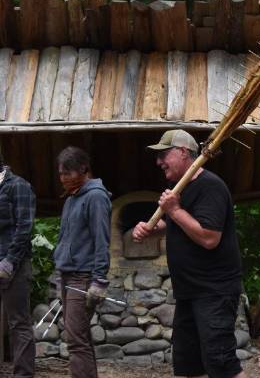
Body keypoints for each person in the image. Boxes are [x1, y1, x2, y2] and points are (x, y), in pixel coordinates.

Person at [132, 129, 245, 378]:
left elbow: (208, 237)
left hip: (214, 291)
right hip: (189, 291)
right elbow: (180, 224)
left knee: (221, 362)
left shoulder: (211, 187)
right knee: (189, 364)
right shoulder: (179, 188)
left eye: (164, 155)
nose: (158, 162)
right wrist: (152, 229)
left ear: (183, 152)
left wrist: (173, 210)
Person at [53, 146, 111, 378]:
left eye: (68, 173)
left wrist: (99, 281)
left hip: (83, 277)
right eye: (60, 173)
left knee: (76, 341)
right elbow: (64, 239)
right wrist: (60, 274)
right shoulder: (71, 199)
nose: (63, 178)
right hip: (69, 275)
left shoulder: (96, 196)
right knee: (80, 338)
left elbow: (101, 240)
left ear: (83, 170)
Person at [0, 146, 36, 377]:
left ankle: (23, 374)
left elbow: (25, 227)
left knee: (19, 322)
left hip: (14, 265)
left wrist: (9, 261)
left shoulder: (18, 186)